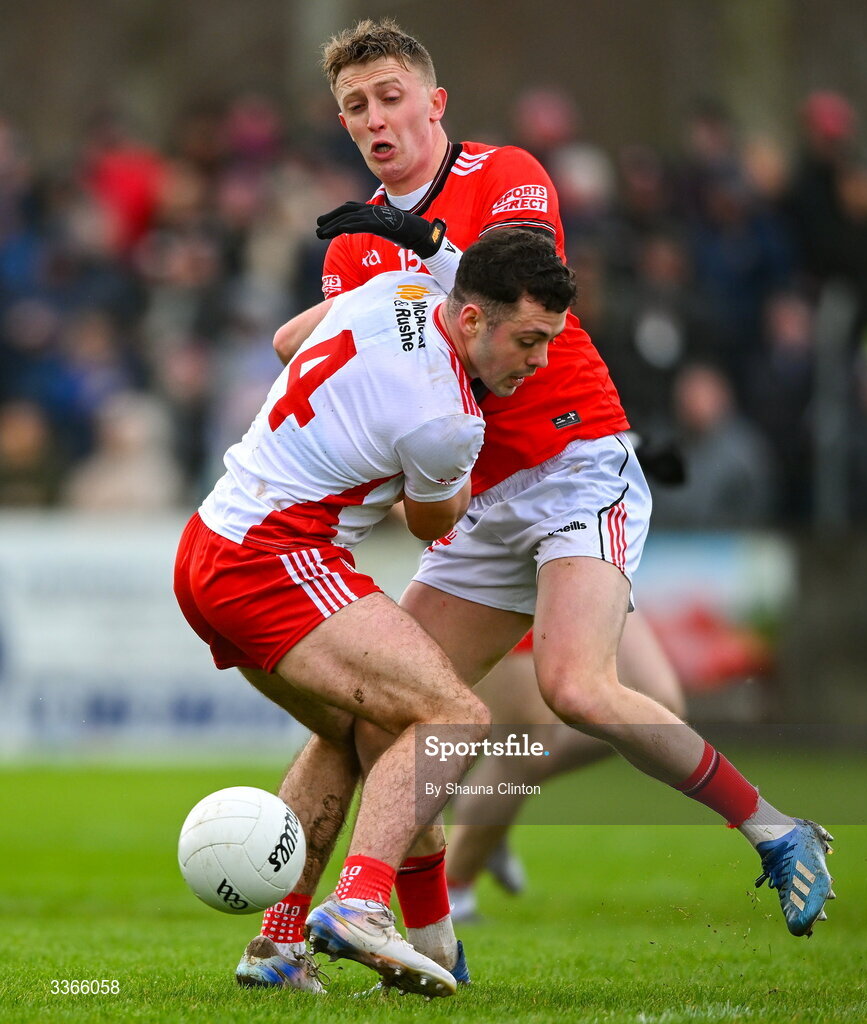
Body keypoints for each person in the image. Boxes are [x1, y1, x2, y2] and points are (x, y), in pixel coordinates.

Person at [247, 18, 836, 993]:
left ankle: (774, 831)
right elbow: (319, 353)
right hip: (474, 496)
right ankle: (332, 940)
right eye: (355, 107)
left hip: (573, 463)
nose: (374, 119)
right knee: (372, 713)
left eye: (391, 96)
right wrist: (333, 316)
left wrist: (416, 253)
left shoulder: (505, 173)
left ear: (433, 103)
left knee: (574, 686)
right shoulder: (352, 246)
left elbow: (518, 288)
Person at [175, 227, 576, 997]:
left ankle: (278, 946)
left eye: (549, 341)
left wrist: (351, 419)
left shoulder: (399, 291)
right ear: (470, 322)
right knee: (453, 717)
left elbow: (291, 338)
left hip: (207, 543)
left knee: (359, 731)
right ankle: (360, 903)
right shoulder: (450, 423)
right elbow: (433, 525)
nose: (538, 361)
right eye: (528, 340)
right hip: (274, 557)